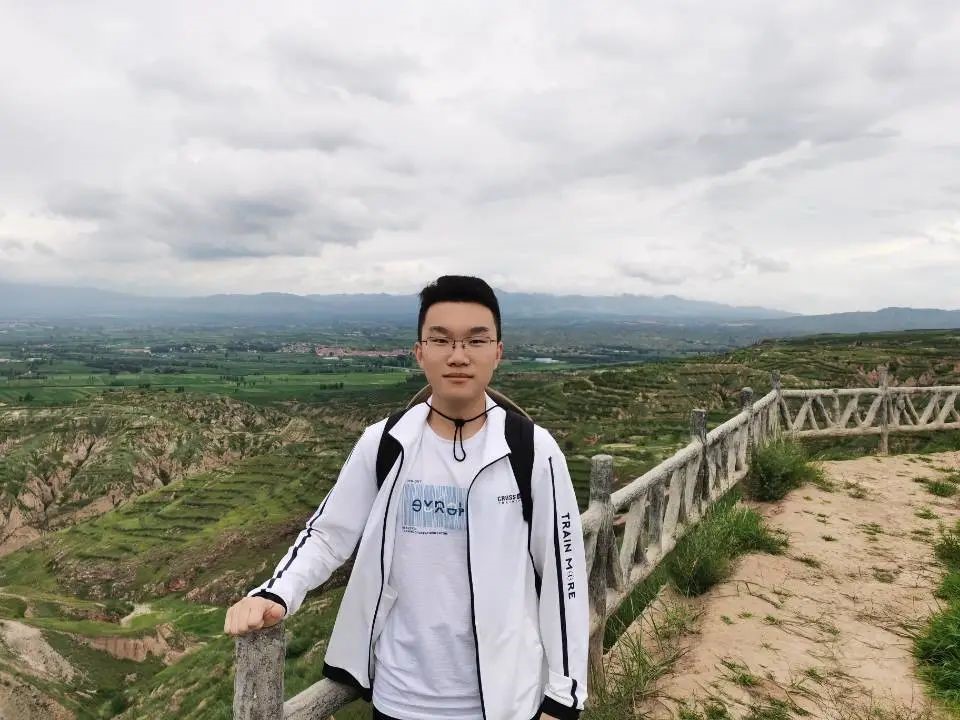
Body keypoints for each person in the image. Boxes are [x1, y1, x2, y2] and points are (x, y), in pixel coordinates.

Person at [225, 275, 588, 720]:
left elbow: (564, 575)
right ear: (419, 352)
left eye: (476, 340)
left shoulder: (531, 450)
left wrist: (563, 699)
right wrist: (276, 593)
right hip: (399, 700)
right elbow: (328, 534)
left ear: (498, 352)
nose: (458, 355)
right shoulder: (385, 444)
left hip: (507, 703)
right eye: (441, 340)